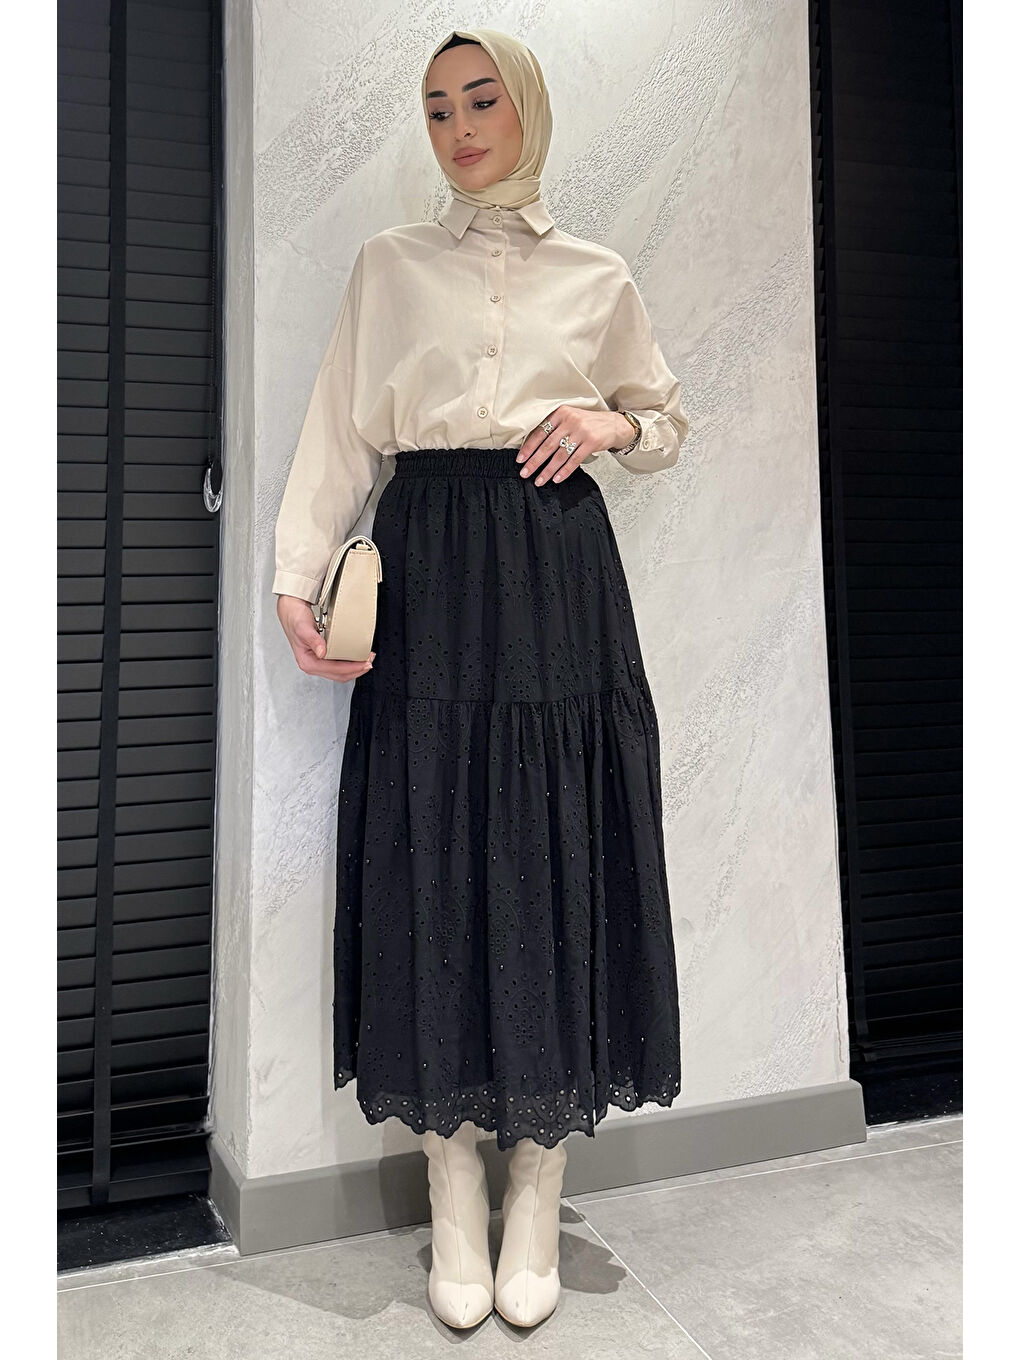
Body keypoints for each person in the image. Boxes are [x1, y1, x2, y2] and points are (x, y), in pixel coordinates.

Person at [272, 27, 690, 1332]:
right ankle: (451, 1181)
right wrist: (298, 573)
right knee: (434, 845)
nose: (460, 129)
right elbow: (342, 426)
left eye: (482, 101)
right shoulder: (389, 266)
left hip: (557, 566)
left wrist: (615, 422)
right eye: (439, 108)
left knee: (553, 845)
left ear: (528, 111)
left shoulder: (597, 273)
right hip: (432, 561)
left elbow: (666, 418)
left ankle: (538, 1184)